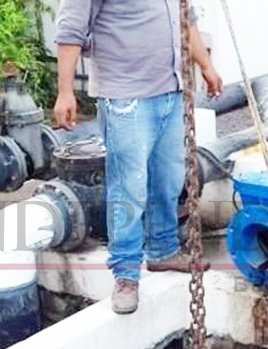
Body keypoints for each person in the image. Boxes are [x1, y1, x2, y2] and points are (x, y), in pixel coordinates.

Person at [54, 1, 223, 314]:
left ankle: (163, 250)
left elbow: (186, 19)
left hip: (171, 91)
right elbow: (71, 27)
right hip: (125, 95)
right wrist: (65, 90)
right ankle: (126, 274)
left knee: (168, 179)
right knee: (128, 186)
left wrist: (206, 66)